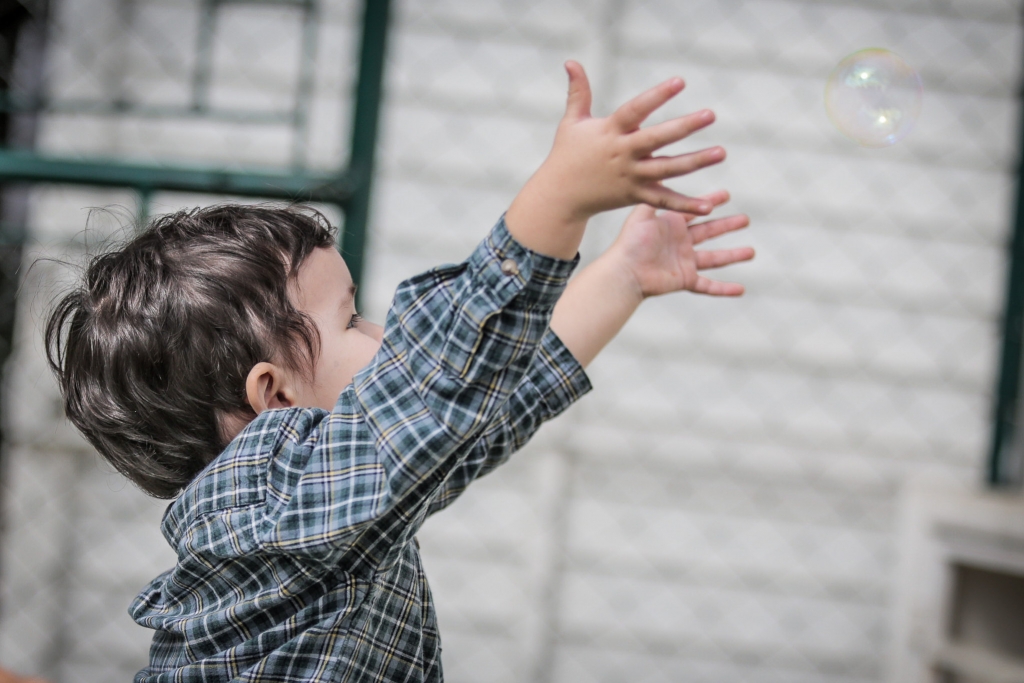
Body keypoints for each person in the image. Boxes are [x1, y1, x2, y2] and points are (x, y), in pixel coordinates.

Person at [45, 62, 753, 682]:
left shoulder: (326, 507)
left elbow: (489, 401)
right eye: (352, 320)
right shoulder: (275, 501)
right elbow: (441, 382)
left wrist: (623, 275)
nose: (383, 335)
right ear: (275, 396)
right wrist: (560, 195)